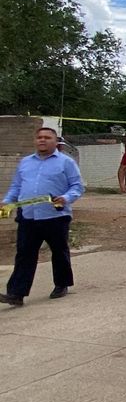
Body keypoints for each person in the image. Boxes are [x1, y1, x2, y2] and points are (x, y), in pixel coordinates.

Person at [0, 127, 85, 306]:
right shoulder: (25, 162)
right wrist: (7, 201)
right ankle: (16, 293)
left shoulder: (66, 163)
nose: (42, 140)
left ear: (55, 142)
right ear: (35, 140)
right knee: (24, 254)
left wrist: (66, 198)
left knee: (59, 251)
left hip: (55, 215)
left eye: (47, 137)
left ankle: (61, 284)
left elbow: (77, 186)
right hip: (28, 216)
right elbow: (16, 186)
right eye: (39, 137)